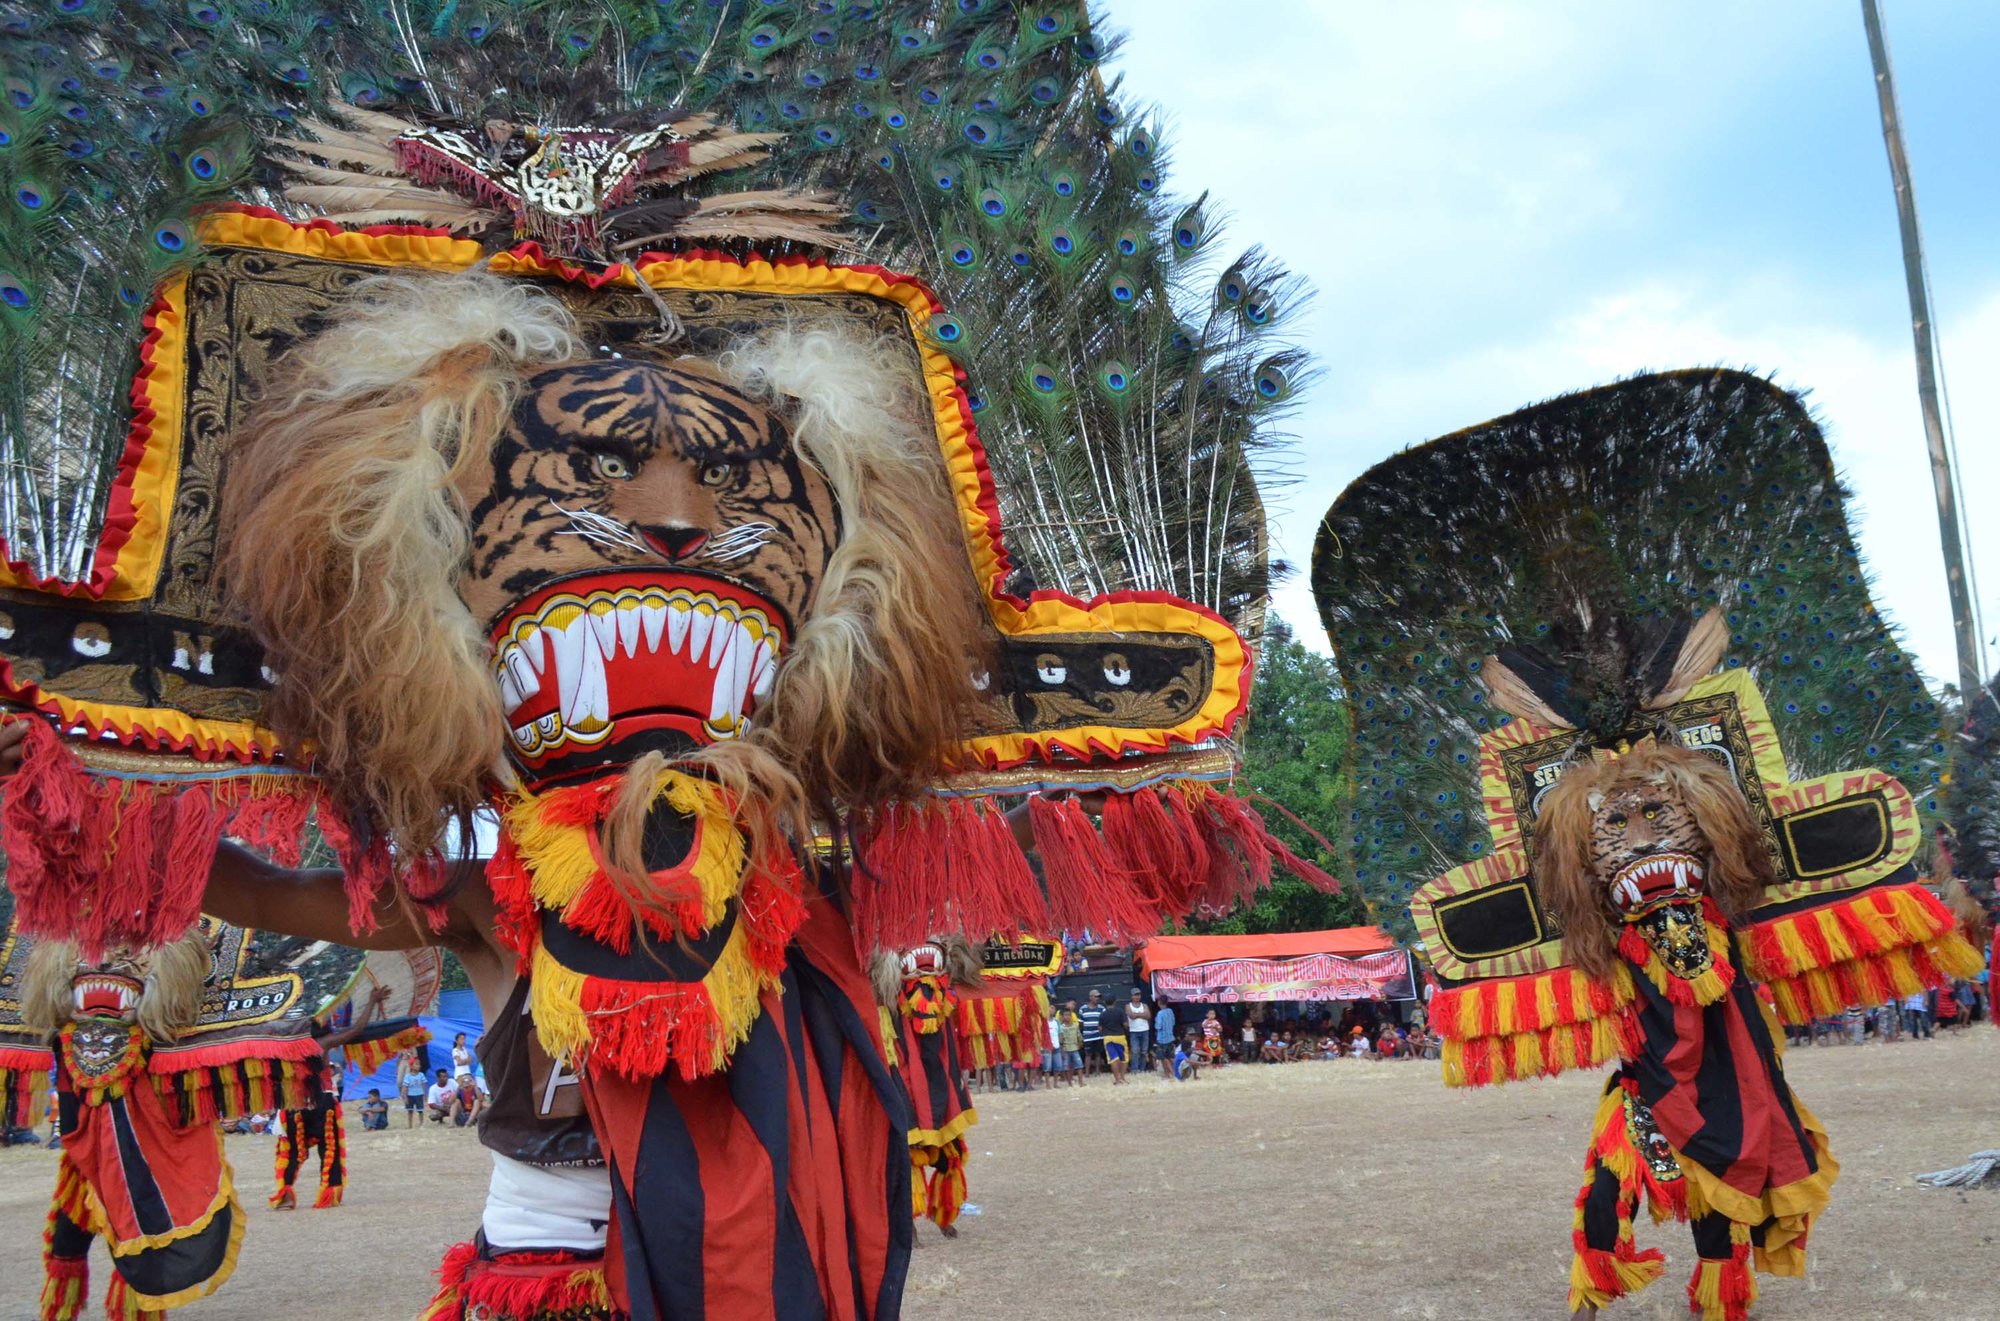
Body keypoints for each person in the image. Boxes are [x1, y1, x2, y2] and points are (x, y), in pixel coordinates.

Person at [1077, 989, 1109, 1077]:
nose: (1097, 998)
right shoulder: (1083, 1009)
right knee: (1088, 1054)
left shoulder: (1102, 1008)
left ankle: (1097, 1071)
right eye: (1096, 996)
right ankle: (1087, 1072)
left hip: (1098, 1035)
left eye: (1098, 997)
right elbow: (1080, 1023)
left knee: (1098, 1053)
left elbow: (1104, 1021)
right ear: (1090, 997)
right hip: (1087, 1035)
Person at [397, 1049, 429, 1129]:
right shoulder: (408, 1076)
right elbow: (405, 1086)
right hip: (410, 1095)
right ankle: (410, 1125)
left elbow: (423, 1085)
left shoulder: (421, 1075)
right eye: (416, 1064)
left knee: (420, 1110)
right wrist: (404, 1096)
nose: (419, 1066)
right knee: (410, 1111)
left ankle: (421, 1124)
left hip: (419, 1095)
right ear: (411, 1066)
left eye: (419, 1064)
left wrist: (424, 1094)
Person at [1054, 1002, 1083, 1087]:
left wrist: (1080, 1044)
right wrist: (1062, 1050)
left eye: (1069, 1015)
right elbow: (1061, 1040)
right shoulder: (1061, 1027)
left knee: (1079, 1066)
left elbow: (1079, 1036)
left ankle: (1081, 1082)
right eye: (1066, 1015)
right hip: (1066, 1050)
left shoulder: (1075, 1026)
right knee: (1067, 1068)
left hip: (1075, 1049)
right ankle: (1069, 1083)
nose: (1068, 1017)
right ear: (1062, 1017)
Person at [1124, 989, 1152, 1073]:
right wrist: (1142, 1014)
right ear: (1131, 996)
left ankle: (1142, 1069)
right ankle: (1135, 1069)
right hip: (1134, 1031)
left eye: (1138, 995)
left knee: (1144, 1051)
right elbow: (1131, 1016)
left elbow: (1148, 1016)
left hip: (1144, 1030)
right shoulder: (1128, 1006)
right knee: (1135, 1051)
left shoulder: (1144, 1005)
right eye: (1135, 995)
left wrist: (1136, 1014)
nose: (1137, 996)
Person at [1152, 999, 1176, 1071]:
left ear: (1159, 1003)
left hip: (1162, 1039)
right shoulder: (1170, 1011)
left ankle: (1168, 1074)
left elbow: (1158, 1026)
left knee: (1163, 1058)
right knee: (1171, 1057)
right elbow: (1173, 1022)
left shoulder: (1160, 1013)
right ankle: (1177, 1071)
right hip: (1170, 1037)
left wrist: (1156, 1020)